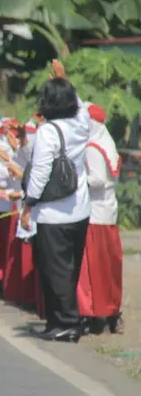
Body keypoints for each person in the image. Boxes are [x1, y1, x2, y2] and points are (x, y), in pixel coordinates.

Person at [21, 60, 91, 342]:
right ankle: (59, 322)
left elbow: (40, 172)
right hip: (81, 208)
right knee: (70, 268)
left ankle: (67, 324)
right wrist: (66, 81)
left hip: (53, 212)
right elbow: (82, 106)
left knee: (55, 270)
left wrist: (29, 203)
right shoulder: (81, 123)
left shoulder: (48, 131)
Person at [77, 102, 123, 334]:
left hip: (94, 213)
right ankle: (110, 310)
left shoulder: (92, 147)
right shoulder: (107, 143)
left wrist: (75, 182)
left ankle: (93, 312)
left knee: (92, 268)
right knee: (107, 267)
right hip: (107, 211)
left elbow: (96, 180)